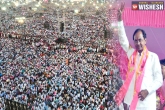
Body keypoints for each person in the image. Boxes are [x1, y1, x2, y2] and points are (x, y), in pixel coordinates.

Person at [114, 2, 163, 110]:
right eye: (135, 41)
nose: (138, 43)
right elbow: (123, 40)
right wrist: (119, 20)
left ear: (145, 40)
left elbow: (159, 79)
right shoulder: (132, 54)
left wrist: (148, 91)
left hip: (147, 103)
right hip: (133, 103)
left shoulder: (153, 57)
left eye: (140, 40)